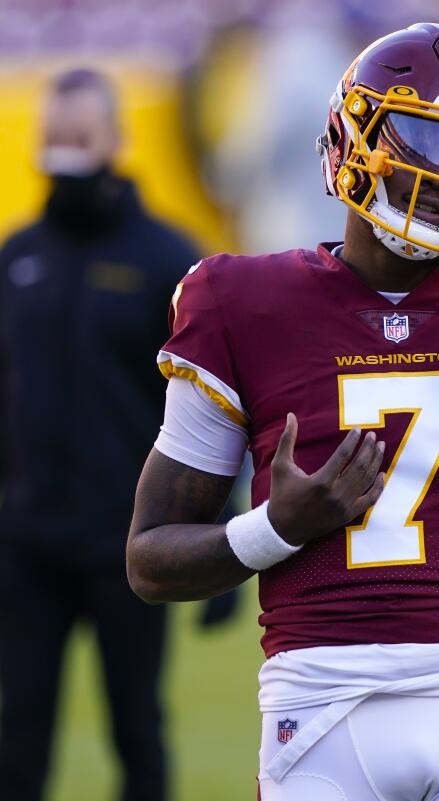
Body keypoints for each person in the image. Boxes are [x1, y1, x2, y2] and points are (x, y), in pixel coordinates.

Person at [125, 24, 439, 801]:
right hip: (319, 704)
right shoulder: (239, 302)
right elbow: (149, 559)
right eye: (425, 140)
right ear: (353, 136)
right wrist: (276, 528)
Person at [0, 68, 200, 801]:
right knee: (17, 733)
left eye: (78, 138)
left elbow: (210, 408)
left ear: (114, 139)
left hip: (129, 545)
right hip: (26, 544)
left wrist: (211, 523)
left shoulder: (166, 260)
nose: (65, 153)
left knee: (136, 730)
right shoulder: (16, 258)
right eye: (53, 139)